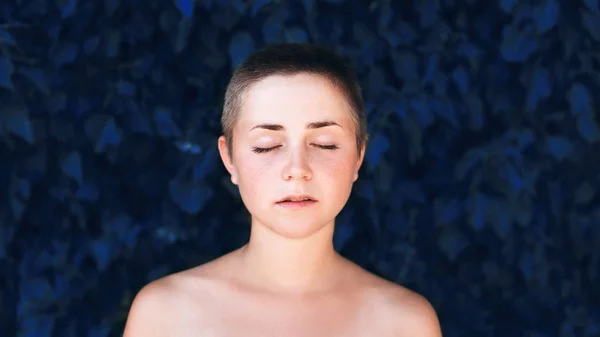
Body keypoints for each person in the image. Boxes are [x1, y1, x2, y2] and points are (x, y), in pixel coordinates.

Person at [123, 43, 442, 337]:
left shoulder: (404, 323)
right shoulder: (166, 316)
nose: (297, 170)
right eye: (267, 146)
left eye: (324, 144)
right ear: (229, 158)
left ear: (358, 155)